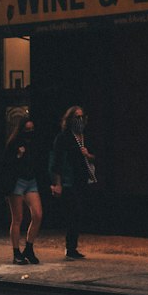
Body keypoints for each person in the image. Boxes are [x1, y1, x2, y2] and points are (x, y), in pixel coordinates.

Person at [48, 104, 97, 259]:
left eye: (82, 117)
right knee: (73, 212)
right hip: (69, 180)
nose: (80, 120)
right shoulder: (64, 137)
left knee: (79, 212)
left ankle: (73, 246)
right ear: (70, 119)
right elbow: (56, 162)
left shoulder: (85, 136)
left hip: (82, 179)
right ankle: (70, 247)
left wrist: (88, 155)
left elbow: (94, 157)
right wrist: (57, 183)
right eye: (77, 117)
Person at [0, 115, 42, 264]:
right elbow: (5, 164)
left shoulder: (35, 143)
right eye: (27, 129)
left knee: (37, 214)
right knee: (17, 218)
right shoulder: (14, 143)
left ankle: (29, 248)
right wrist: (18, 155)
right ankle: (16, 253)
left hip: (31, 181)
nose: (30, 132)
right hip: (17, 181)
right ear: (21, 129)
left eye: (32, 129)